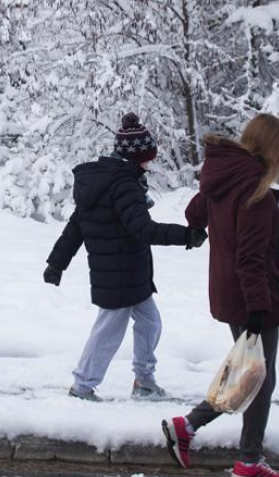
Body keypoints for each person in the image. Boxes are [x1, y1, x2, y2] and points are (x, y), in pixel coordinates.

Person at [161, 113, 279, 477]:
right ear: (273, 148)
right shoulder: (255, 192)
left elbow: (194, 213)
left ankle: (193, 428)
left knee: (249, 371)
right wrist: (258, 308)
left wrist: (203, 226)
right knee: (258, 377)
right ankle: (246, 459)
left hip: (230, 291)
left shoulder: (225, 175)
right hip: (252, 297)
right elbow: (250, 259)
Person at [44, 112, 208, 401]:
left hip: (130, 274)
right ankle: (82, 386)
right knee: (108, 332)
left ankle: (144, 381)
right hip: (118, 276)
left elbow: (75, 227)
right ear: (137, 158)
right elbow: (143, 229)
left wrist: (56, 264)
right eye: (147, 159)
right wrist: (186, 235)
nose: (149, 164)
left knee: (151, 323)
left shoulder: (107, 182)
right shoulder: (123, 185)